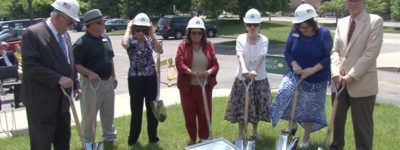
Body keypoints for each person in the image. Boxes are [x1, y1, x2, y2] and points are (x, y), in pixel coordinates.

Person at [269, 3, 333, 148]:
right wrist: (294, 65)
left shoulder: (324, 34)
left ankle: (305, 138)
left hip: (316, 77)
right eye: (299, 26)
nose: (301, 30)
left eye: (305, 27)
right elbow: (287, 51)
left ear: (313, 24)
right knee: (285, 91)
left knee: (310, 107)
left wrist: (312, 70)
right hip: (296, 72)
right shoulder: (294, 31)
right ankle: (291, 123)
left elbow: (328, 57)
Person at [20, 0, 81, 149]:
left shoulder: (65, 35)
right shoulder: (33, 34)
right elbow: (30, 65)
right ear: (58, 16)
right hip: (41, 103)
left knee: (63, 142)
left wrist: (76, 84)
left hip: (63, 101)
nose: (71, 26)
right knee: (42, 144)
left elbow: (69, 63)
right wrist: (58, 79)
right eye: (69, 22)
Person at [330, 0, 383, 149]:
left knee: (362, 127)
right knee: (337, 122)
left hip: (362, 82)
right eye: (349, 0)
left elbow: (371, 53)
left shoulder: (375, 21)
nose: (353, 3)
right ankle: (336, 147)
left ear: (364, 2)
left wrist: (352, 75)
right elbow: (335, 51)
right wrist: (335, 71)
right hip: (339, 81)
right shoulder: (341, 22)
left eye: (357, 0)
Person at [224, 8, 272, 141]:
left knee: (257, 105)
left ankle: (255, 132)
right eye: (249, 25)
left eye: (255, 25)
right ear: (245, 25)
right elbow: (240, 55)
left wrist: (255, 70)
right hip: (242, 78)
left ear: (259, 26)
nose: (252, 27)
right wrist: (245, 70)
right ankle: (240, 133)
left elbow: (262, 55)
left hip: (259, 77)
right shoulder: (240, 39)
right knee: (241, 106)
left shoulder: (264, 40)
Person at [73, 9, 118, 147]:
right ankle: (88, 141)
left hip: (107, 81)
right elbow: (74, 64)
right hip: (91, 83)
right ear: (91, 25)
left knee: (108, 111)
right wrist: (90, 73)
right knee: (90, 114)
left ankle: (109, 137)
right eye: (100, 22)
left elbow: (110, 58)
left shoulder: (105, 38)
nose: (104, 24)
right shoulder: (82, 43)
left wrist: (114, 76)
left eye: (103, 21)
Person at [121, 13, 164, 146]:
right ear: (134, 29)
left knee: (152, 108)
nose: (140, 33)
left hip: (150, 78)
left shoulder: (149, 40)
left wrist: (152, 34)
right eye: (137, 29)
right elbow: (124, 44)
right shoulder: (131, 40)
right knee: (136, 110)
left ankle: (153, 137)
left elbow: (160, 50)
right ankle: (133, 139)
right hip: (136, 79)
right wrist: (128, 28)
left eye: (143, 30)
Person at [175, 17, 219, 145]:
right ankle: (193, 140)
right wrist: (192, 72)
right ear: (189, 33)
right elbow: (179, 63)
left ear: (203, 33)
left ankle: (204, 140)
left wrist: (208, 72)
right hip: (188, 87)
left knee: (205, 114)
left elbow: (216, 65)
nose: (197, 35)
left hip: (205, 86)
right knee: (190, 116)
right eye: (193, 32)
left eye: (199, 32)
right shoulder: (183, 46)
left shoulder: (208, 46)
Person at [0, 41, 22, 108]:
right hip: (5, 73)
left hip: (14, 71)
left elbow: (16, 62)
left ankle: (19, 100)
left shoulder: (10, 53)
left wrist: (14, 68)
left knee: (21, 75)